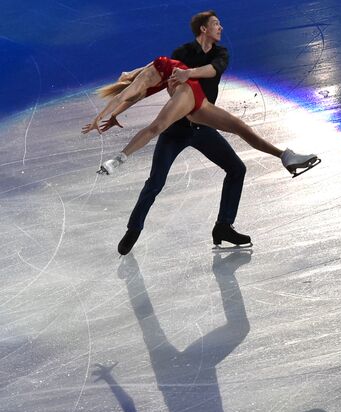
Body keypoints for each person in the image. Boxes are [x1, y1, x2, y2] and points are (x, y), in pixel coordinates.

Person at [83, 11, 320, 253]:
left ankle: (224, 226)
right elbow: (150, 84)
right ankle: (134, 228)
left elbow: (212, 70)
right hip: (175, 129)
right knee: (155, 182)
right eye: (216, 24)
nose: (221, 28)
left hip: (203, 125)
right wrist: (114, 113)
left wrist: (188, 74)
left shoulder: (221, 53)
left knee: (237, 168)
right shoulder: (181, 53)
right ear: (203, 29)